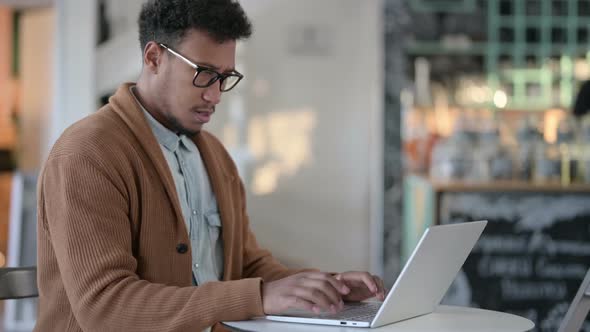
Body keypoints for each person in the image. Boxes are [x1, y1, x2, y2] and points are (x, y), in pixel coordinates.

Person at [35, 1, 385, 331]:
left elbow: (245, 265)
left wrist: (326, 287)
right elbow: (105, 307)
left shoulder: (214, 156)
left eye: (225, 77)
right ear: (154, 57)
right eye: (204, 74)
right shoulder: (87, 153)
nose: (215, 95)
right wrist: (259, 297)